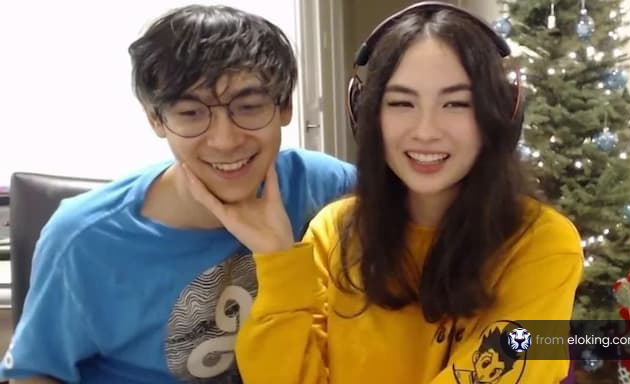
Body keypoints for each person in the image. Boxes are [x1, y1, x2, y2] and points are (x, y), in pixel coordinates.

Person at [185, 2, 584, 383]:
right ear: (369, 115)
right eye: (401, 103)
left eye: (456, 103)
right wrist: (276, 259)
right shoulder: (335, 230)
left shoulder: (544, 244)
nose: (426, 130)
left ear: (499, 115)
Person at [0, 4, 355, 383]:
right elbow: (35, 373)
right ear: (156, 119)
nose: (225, 141)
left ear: (284, 106)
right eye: (190, 114)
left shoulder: (322, 187)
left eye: (249, 107)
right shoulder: (83, 238)